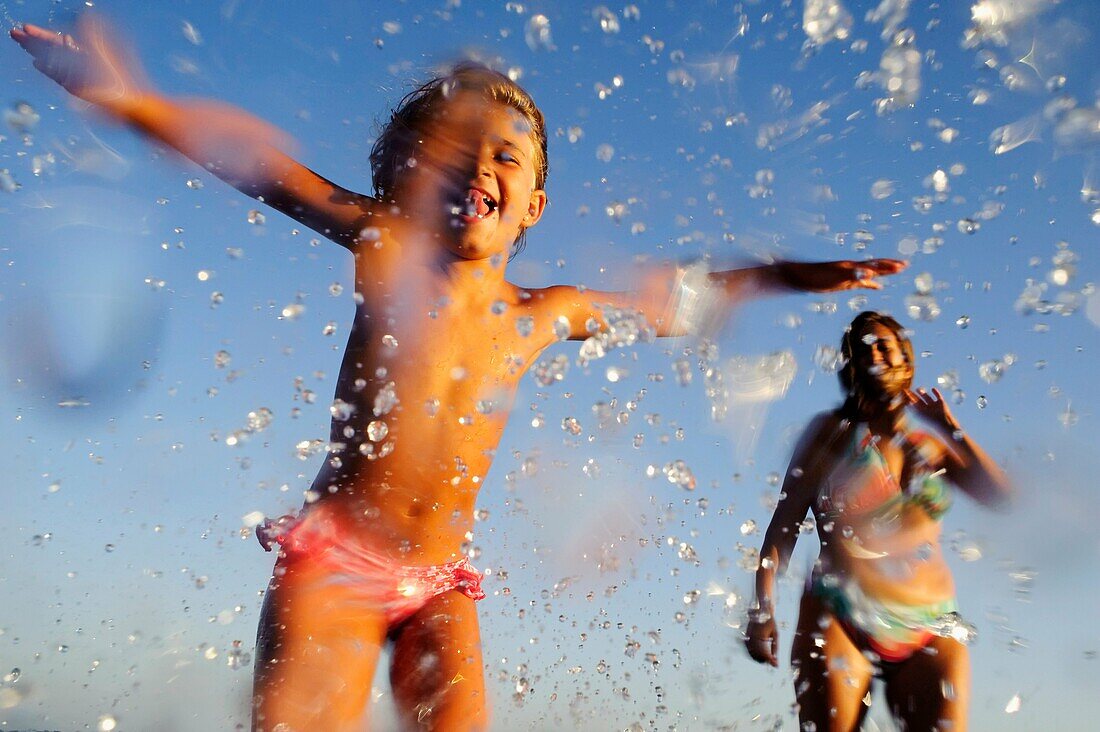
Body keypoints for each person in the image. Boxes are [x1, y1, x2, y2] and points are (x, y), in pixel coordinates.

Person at [12, 18, 907, 732]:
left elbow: (683, 300)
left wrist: (797, 275)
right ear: (402, 177)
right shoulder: (386, 244)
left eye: (505, 154)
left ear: (535, 205)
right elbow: (254, 166)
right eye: (451, 147)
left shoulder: (539, 314)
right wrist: (126, 100)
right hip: (335, 561)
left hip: (442, 583)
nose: (479, 162)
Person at [745, 311, 1012, 732]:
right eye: (863, 348)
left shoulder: (932, 448)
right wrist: (762, 606)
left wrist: (952, 429)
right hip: (840, 614)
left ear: (906, 358)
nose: (875, 352)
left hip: (931, 624)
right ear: (851, 366)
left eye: (884, 344)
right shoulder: (831, 434)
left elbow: (1001, 499)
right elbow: (785, 523)